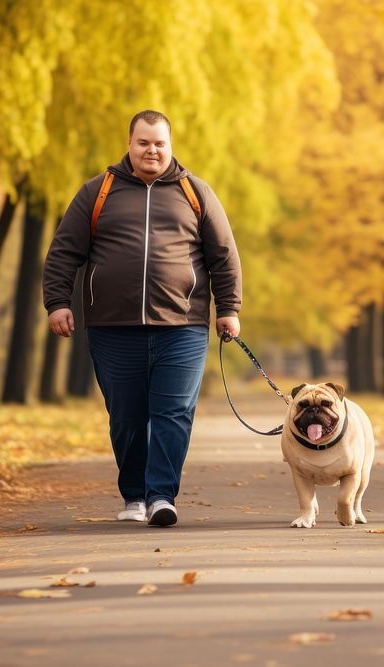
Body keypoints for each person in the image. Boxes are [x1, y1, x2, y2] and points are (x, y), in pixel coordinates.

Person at [42, 110, 241, 527]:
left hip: (182, 325)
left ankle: (161, 495)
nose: (152, 150)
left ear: (171, 146)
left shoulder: (195, 192)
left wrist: (229, 309)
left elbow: (223, 256)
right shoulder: (98, 191)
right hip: (114, 328)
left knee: (173, 413)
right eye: (143, 142)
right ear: (130, 144)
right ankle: (134, 495)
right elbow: (64, 252)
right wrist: (57, 302)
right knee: (127, 417)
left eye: (159, 143)